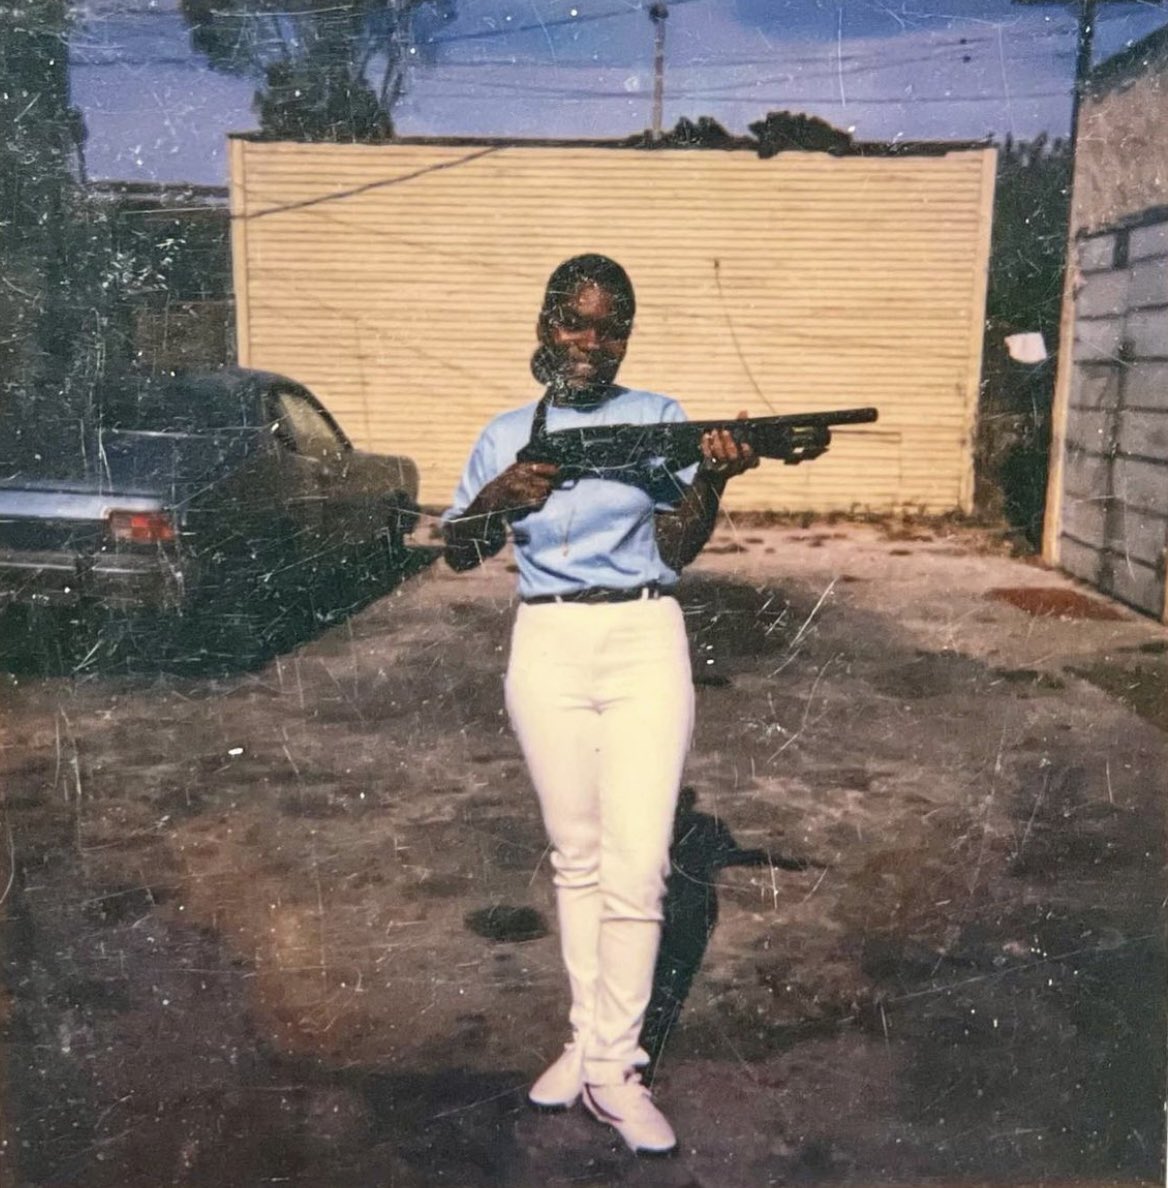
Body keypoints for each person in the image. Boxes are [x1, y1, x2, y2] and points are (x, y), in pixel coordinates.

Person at [442, 254, 757, 1156]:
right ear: (547, 325)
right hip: (546, 642)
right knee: (576, 859)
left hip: (641, 636)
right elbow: (458, 550)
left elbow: (677, 546)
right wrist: (499, 495)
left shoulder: (657, 418)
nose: (593, 340)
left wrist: (715, 477)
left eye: (612, 326)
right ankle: (587, 1041)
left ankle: (617, 1068)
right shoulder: (506, 432)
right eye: (576, 321)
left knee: (639, 865)